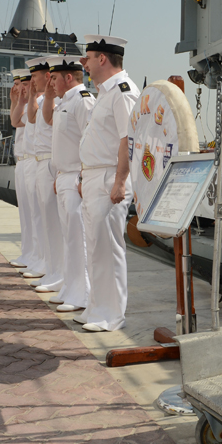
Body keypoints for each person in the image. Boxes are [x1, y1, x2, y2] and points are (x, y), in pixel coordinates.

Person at [76, 35, 139, 332]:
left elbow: (128, 140)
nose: (84, 64)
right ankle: (96, 308)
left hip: (109, 178)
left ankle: (112, 315)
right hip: (93, 176)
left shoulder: (123, 91)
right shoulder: (104, 92)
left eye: (87, 58)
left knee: (109, 249)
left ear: (102, 58)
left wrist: (120, 181)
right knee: (94, 247)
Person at [48, 55, 94, 313]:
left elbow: (90, 142)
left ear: (68, 77)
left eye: (54, 78)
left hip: (77, 175)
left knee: (79, 239)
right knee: (69, 238)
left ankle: (83, 294)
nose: (51, 83)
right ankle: (71, 288)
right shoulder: (65, 102)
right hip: (65, 175)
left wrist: (81, 176)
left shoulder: (83, 101)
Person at [28, 55, 64, 293]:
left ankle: (58, 273)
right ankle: (52, 270)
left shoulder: (60, 101)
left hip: (53, 163)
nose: (32, 80)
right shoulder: (43, 101)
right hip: (41, 163)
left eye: (34, 76)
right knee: (45, 222)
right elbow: (30, 118)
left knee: (55, 224)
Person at [8, 69, 38, 269]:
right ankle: (28, 254)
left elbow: (16, 121)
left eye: (22, 84)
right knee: (26, 215)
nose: (18, 88)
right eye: (16, 85)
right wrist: (15, 101)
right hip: (22, 161)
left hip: (34, 161)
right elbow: (14, 121)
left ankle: (38, 258)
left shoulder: (36, 106)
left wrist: (21, 101)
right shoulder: (26, 106)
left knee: (36, 216)